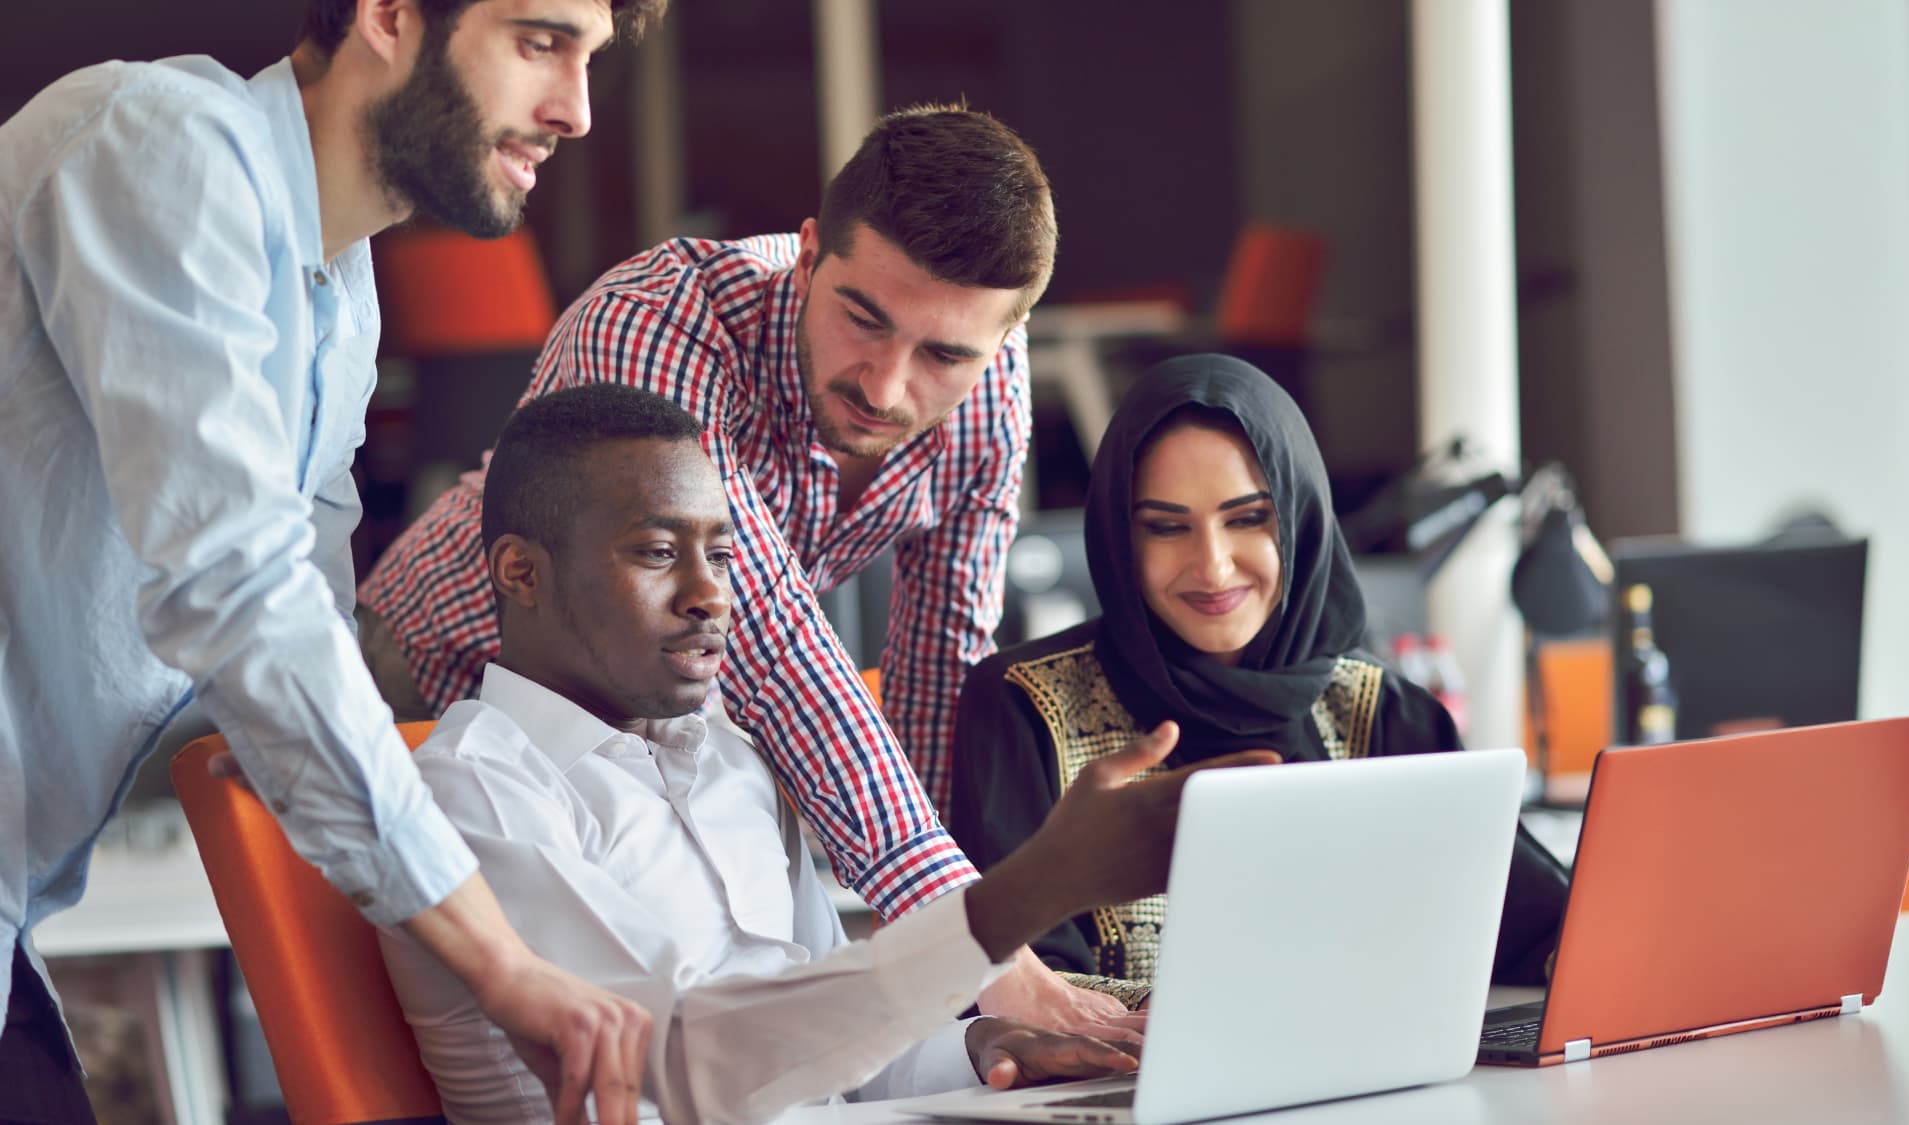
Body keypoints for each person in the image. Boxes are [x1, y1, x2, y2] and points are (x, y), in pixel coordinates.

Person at [0, 3, 668, 1119]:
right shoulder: (155, 140)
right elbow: (238, 595)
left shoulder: (334, 295)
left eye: (590, 59)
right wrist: (496, 961)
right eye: (539, 41)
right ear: (390, 15)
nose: (576, 111)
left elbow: (304, 652)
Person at [359, 103, 1123, 1031]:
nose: (886, 384)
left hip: (655, 711)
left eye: (944, 353)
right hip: (432, 673)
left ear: (1003, 343)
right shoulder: (660, 323)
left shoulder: (990, 395)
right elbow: (769, 636)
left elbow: (939, 673)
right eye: (863, 318)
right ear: (807, 255)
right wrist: (971, 938)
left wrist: (957, 985)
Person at [377, 383, 1273, 1122]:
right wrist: (1032, 890)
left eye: (722, 556)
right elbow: (691, 1060)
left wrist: (973, 1048)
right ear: (520, 572)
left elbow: (822, 1033)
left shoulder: (730, 759)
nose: (710, 595)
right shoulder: (465, 794)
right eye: (657, 552)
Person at [948, 355, 1572, 1002]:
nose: (1213, 567)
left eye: (1248, 518)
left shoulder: (1383, 711)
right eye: (1165, 527)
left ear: (1300, 519)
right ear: (1118, 537)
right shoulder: (1024, 707)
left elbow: (1538, 932)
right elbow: (1012, 985)